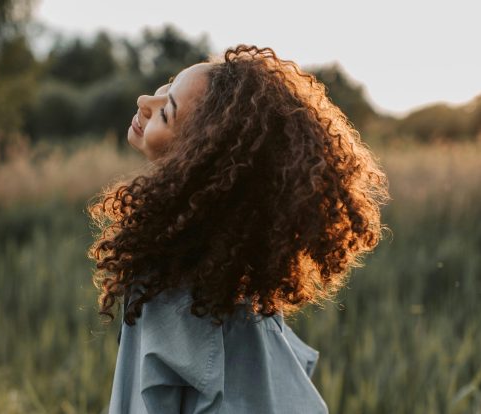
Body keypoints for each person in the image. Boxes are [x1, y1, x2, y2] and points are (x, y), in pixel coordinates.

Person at [87, 44, 389, 413]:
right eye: (167, 86)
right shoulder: (225, 271)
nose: (145, 99)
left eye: (166, 112)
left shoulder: (177, 282)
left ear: (198, 158)